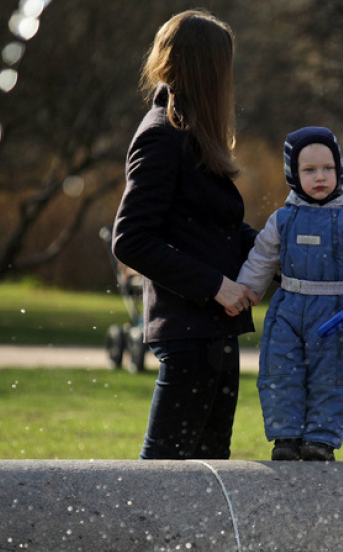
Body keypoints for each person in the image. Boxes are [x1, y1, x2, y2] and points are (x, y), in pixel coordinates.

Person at [112, 10, 260, 460]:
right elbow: (131, 239)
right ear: (209, 68)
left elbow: (218, 230)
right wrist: (216, 287)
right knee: (166, 477)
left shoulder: (191, 135)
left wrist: (294, 243)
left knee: (209, 478)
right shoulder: (162, 137)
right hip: (189, 336)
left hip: (213, 337)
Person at [237, 126, 343, 462]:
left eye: (327, 169)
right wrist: (247, 289)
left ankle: (321, 438)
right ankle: (285, 436)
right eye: (309, 170)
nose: (320, 177)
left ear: (339, 170)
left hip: (336, 314)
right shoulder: (284, 219)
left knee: (332, 375)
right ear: (293, 174)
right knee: (280, 371)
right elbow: (262, 257)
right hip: (288, 309)